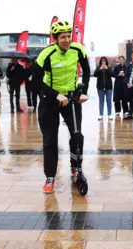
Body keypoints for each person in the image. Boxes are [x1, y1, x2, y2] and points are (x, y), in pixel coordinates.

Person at [32, 20, 90, 194]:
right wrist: (55, 95)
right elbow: (35, 83)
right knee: (50, 140)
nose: (66, 40)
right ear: (55, 38)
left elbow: (86, 71)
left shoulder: (77, 49)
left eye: (68, 36)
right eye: (63, 37)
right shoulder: (46, 54)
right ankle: (50, 177)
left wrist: (82, 91)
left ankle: (76, 168)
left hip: (71, 99)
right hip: (50, 100)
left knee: (77, 135)